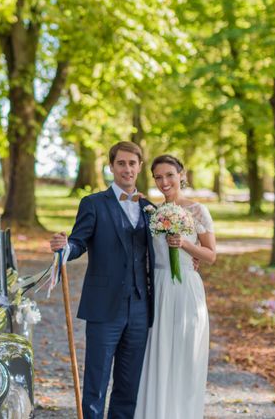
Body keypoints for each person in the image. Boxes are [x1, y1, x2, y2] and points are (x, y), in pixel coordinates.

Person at [49, 141, 155, 419]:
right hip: (104, 306)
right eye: (121, 163)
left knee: (129, 383)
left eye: (132, 163)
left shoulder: (149, 208)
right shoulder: (93, 203)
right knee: (96, 380)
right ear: (111, 166)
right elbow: (79, 242)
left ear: (140, 167)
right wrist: (65, 248)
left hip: (140, 307)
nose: (127, 169)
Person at [133, 154, 216, 419]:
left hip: (186, 289)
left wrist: (186, 245)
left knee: (185, 354)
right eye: (158, 177)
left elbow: (211, 255)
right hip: (158, 289)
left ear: (181, 174)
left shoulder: (197, 210)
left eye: (169, 175)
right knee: (156, 353)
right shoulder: (151, 213)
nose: (164, 181)